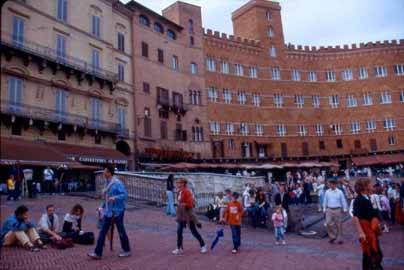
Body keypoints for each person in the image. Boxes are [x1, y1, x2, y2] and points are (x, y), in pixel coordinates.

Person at [88, 166, 131, 259]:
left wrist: (115, 197)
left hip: (118, 211)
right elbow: (107, 198)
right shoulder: (107, 183)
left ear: (109, 173)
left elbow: (125, 195)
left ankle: (126, 250)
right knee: (103, 231)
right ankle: (97, 253)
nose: (103, 172)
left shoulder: (117, 183)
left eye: (105, 171)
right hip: (108, 212)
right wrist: (101, 207)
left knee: (121, 231)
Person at [352, 178, 383, 270]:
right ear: (364, 187)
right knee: (370, 253)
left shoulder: (367, 197)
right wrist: (361, 233)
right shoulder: (359, 199)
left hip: (371, 229)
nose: (371, 186)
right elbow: (356, 217)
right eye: (369, 184)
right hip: (366, 231)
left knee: (374, 253)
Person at [172, 178, 207, 255]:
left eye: (179, 183)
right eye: (177, 183)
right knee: (179, 231)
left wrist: (180, 205)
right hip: (181, 215)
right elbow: (180, 202)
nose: (177, 184)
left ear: (183, 183)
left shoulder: (187, 192)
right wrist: (178, 205)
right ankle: (179, 248)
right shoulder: (179, 192)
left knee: (194, 231)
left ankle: (203, 245)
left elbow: (190, 204)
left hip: (188, 215)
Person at [323, 178, 348, 244]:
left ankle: (340, 238)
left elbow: (343, 200)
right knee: (328, 223)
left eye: (331, 184)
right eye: (329, 184)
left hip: (337, 209)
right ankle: (332, 236)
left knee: (339, 224)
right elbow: (325, 200)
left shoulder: (339, 192)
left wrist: (345, 208)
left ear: (334, 184)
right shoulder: (327, 192)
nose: (329, 185)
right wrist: (324, 209)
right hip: (329, 209)